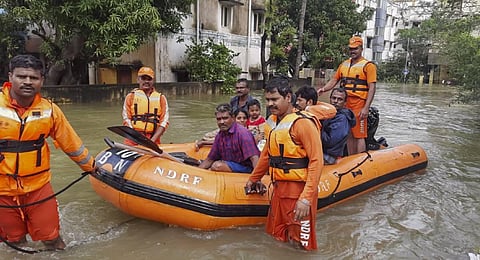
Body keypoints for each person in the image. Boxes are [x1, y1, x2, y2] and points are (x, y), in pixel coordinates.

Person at [0, 54, 96, 250]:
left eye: (34, 78)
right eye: (21, 76)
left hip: (38, 188)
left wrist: (93, 168)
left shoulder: (50, 111)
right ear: (10, 77)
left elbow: (72, 145)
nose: (28, 82)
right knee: (14, 240)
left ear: (42, 80)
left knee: (52, 239)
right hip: (2, 190)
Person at [245, 77, 323, 250]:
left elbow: (317, 161)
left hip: (298, 189)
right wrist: (253, 179)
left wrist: (306, 198)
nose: (270, 104)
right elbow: (266, 156)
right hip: (279, 188)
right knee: (276, 235)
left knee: (300, 243)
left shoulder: (302, 124)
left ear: (288, 97)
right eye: (268, 100)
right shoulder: (272, 123)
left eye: (275, 99)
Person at [318, 35, 377, 155]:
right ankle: (350, 159)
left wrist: (366, 108)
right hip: (345, 104)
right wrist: (324, 89)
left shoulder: (368, 66)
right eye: (351, 49)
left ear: (361, 49)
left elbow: (372, 88)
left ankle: (360, 160)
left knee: (359, 135)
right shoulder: (344, 64)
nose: (352, 51)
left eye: (355, 48)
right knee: (349, 133)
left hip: (359, 104)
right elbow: (334, 80)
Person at [198, 103, 260, 173]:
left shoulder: (243, 134)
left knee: (217, 166)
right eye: (219, 119)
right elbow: (210, 159)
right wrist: (197, 172)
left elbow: (254, 158)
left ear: (233, 118)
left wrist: (256, 179)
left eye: (225, 118)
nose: (222, 122)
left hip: (246, 168)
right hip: (231, 164)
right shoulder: (219, 135)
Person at [122, 66, 169, 145]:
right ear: (138, 80)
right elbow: (126, 118)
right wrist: (136, 137)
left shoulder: (161, 98)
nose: (146, 81)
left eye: (149, 79)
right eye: (143, 78)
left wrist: (152, 141)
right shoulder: (130, 97)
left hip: (153, 139)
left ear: (153, 81)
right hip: (133, 139)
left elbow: (164, 122)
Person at [321, 88, 356, 164]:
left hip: (329, 156)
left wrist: (318, 128)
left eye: (340, 99)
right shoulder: (329, 114)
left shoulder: (342, 119)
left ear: (345, 103)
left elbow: (330, 142)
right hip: (322, 152)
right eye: (334, 98)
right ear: (330, 99)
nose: (336, 101)